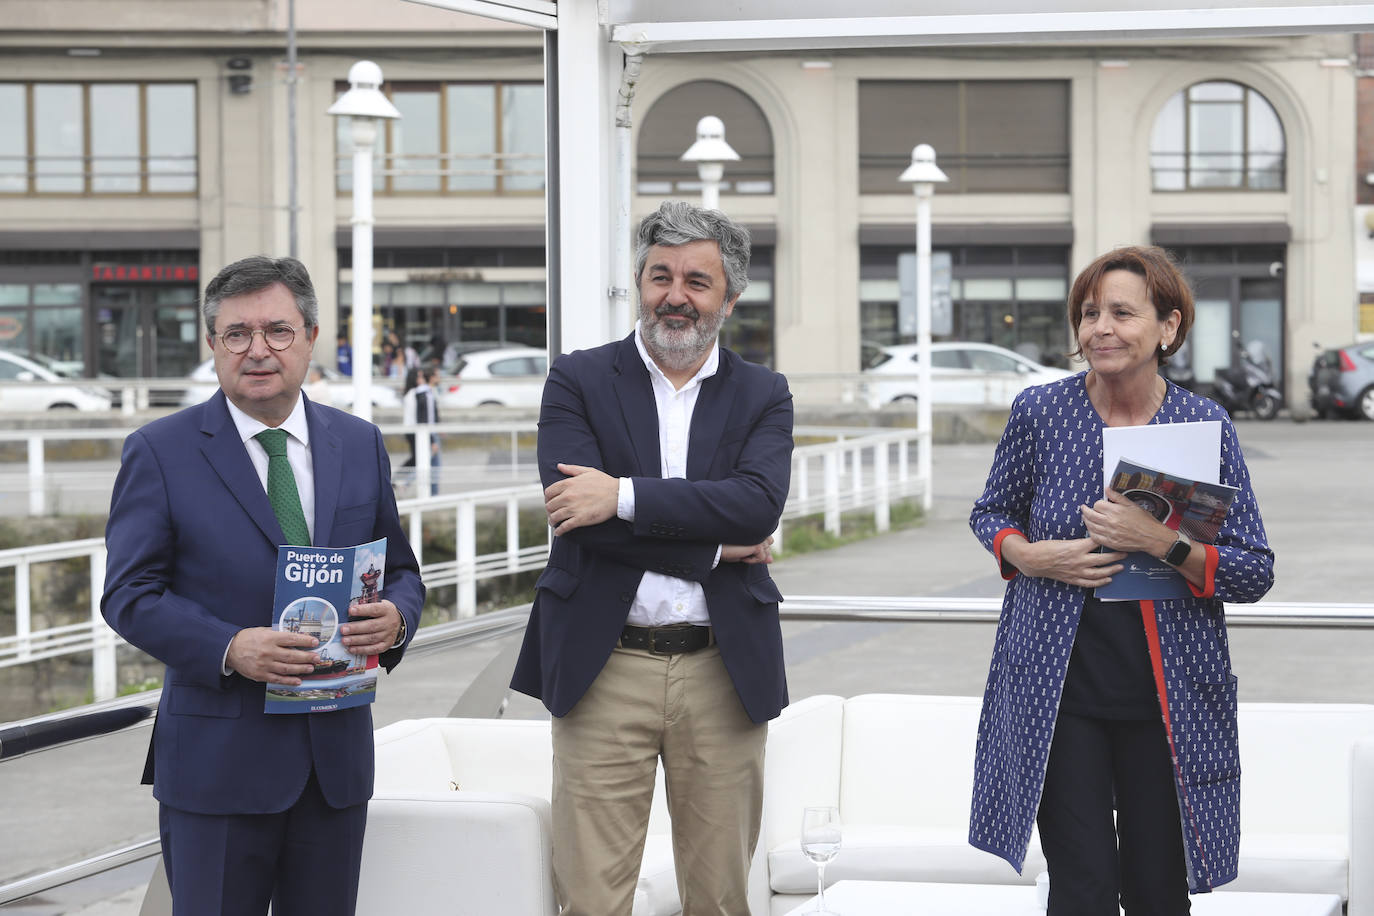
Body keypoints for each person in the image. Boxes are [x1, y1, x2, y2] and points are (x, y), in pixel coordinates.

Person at [101, 255, 425, 916]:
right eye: (236, 335)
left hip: (334, 767)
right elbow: (129, 594)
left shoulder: (358, 442)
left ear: (309, 337)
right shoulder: (159, 451)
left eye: (277, 331)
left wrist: (396, 619)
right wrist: (230, 647)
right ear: (213, 346)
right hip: (217, 770)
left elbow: (403, 572)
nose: (258, 350)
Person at [966, 246, 1275, 913]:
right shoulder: (1043, 413)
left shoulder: (1203, 424)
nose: (1099, 327)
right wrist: (1031, 556)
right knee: (1080, 891)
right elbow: (990, 512)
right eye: (1088, 313)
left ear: (1167, 327)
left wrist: (1159, 542)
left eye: (1120, 312)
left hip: (1170, 704)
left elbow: (1253, 570)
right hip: (1056, 693)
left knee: (1159, 892)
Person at [511, 200, 793, 916]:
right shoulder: (577, 380)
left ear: (729, 298)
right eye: (660, 275)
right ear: (638, 281)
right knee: (592, 899)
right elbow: (579, 520)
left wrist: (625, 495)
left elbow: (756, 507)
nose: (675, 295)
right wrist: (714, 547)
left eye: (697, 282)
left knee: (721, 899)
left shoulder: (764, 394)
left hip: (721, 671)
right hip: (603, 667)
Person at [400, 364, 441, 495]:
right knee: (422, 461)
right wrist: (432, 439)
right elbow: (422, 417)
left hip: (417, 430)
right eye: (419, 376)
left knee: (420, 460)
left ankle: (401, 482)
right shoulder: (418, 393)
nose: (421, 378)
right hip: (417, 431)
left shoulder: (417, 393)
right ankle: (402, 482)